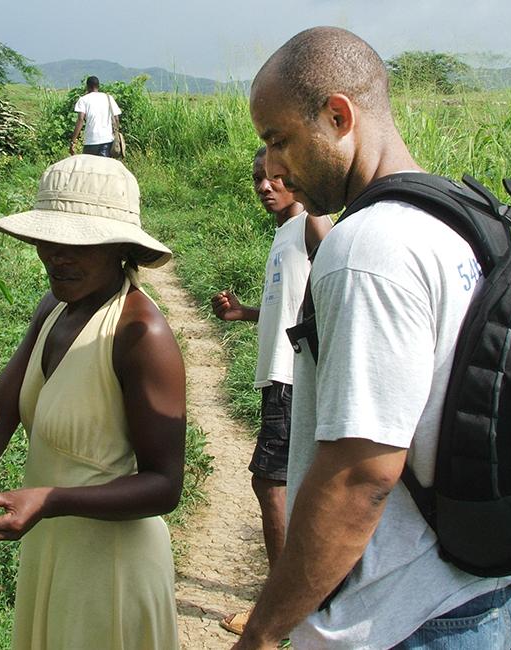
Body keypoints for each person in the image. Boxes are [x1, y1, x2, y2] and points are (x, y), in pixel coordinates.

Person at [234, 26, 511, 650]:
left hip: (404, 616)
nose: (272, 167)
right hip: (483, 591)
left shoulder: (366, 248)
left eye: (278, 140)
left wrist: (262, 633)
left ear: (338, 115)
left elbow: (358, 478)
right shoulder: (460, 217)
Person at [0, 155, 185, 650]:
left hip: (111, 570)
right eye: (49, 239)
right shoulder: (55, 307)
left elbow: (164, 486)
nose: (58, 255)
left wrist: (51, 500)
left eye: (78, 243)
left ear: (121, 247)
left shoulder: (140, 334)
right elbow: (0, 410)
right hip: (53, 551)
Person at [211, 145, 331, 636]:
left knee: (271, 483)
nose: (265, 185)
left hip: (291, 377)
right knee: (288, 484)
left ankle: (279, 614)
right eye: (258, 177)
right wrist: (244, 314)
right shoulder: (284, 233)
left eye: (276, 176)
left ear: (296, 177)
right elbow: (289, 310)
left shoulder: (308, 224)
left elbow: (333, 261)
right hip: (280, 375)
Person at [69, 76, 122, 157]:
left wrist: (73, 141)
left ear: (87, 87)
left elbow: (80, 119)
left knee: (89, 167)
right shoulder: (108, 98)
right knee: (104, 167)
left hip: (91, 140)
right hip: (107, 139)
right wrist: (115, 133)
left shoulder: (83, 100)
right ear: (98, 86)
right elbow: (116, 118)